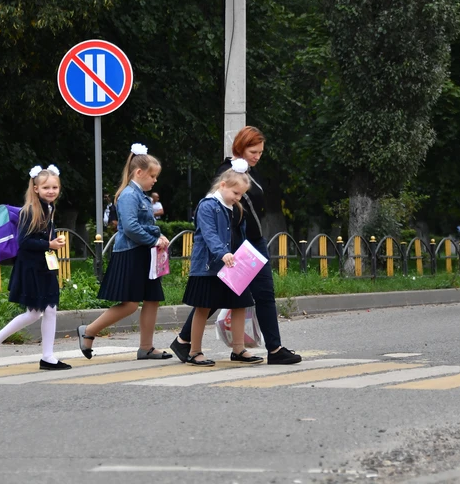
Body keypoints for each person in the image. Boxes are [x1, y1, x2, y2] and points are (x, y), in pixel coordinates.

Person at [171, 126, 302, 365]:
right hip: (231, 248)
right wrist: (224, 250)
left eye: (261, 152)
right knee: (210, 298)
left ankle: (272, 349)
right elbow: (215, 224)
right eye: (253, 151)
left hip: (250, 244)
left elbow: (246, 213)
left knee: (256, 295)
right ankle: (186, 342)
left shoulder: (252, 172)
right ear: (240, 147)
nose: (257, 156)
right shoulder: (227, 174)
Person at [78, 143, 172, 361]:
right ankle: (89, 330)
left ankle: (146, 347)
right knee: (130, 304)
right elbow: (129, 227)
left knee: (152, 299)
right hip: (131, 253)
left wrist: (159, 236)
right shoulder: (129, 195)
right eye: (152, 176)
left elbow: (143, 224)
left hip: (144, 253)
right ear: (139, 172)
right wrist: (153, 240)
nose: (155, 180)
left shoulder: (141, 195)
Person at [0, 165, 70, 370]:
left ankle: (47, 357)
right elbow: (24, 242)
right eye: (46, 187)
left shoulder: (48, 208)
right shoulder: (31, 210)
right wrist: (50, 244)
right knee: (34, 313)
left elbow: (38, 238)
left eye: (55, 187)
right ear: (36, 188)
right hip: (31, 267)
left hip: (43, 266)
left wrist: (51, 240)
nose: (51, 191)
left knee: (49, 310)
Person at [180, 163, 262, 366]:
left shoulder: (236, 207)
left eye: (241, 194)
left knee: (240, 305)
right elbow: (209, 234)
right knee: (203, 307)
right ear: (223, 185)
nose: (238, 198)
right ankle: (194, 351)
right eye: (235, 192)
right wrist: (222, 252)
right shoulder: (207, 205)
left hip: (233, 265)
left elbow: (239, 235)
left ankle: (238, 349)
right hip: (209, 266)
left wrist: (245, 256)